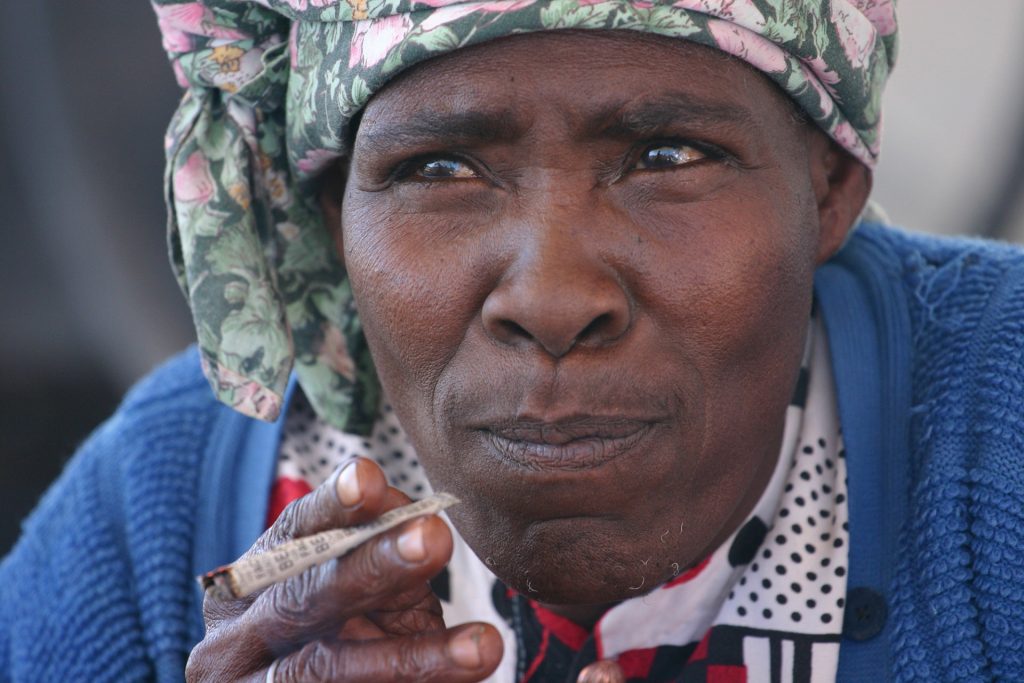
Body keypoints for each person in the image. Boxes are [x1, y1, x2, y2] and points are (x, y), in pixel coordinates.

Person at [2, 0, 1023, 681]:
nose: (550, 295)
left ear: (829, 187)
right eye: (441, 168)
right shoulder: (168, 520)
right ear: (328, 216)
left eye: (666, 156)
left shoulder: (994, 433)